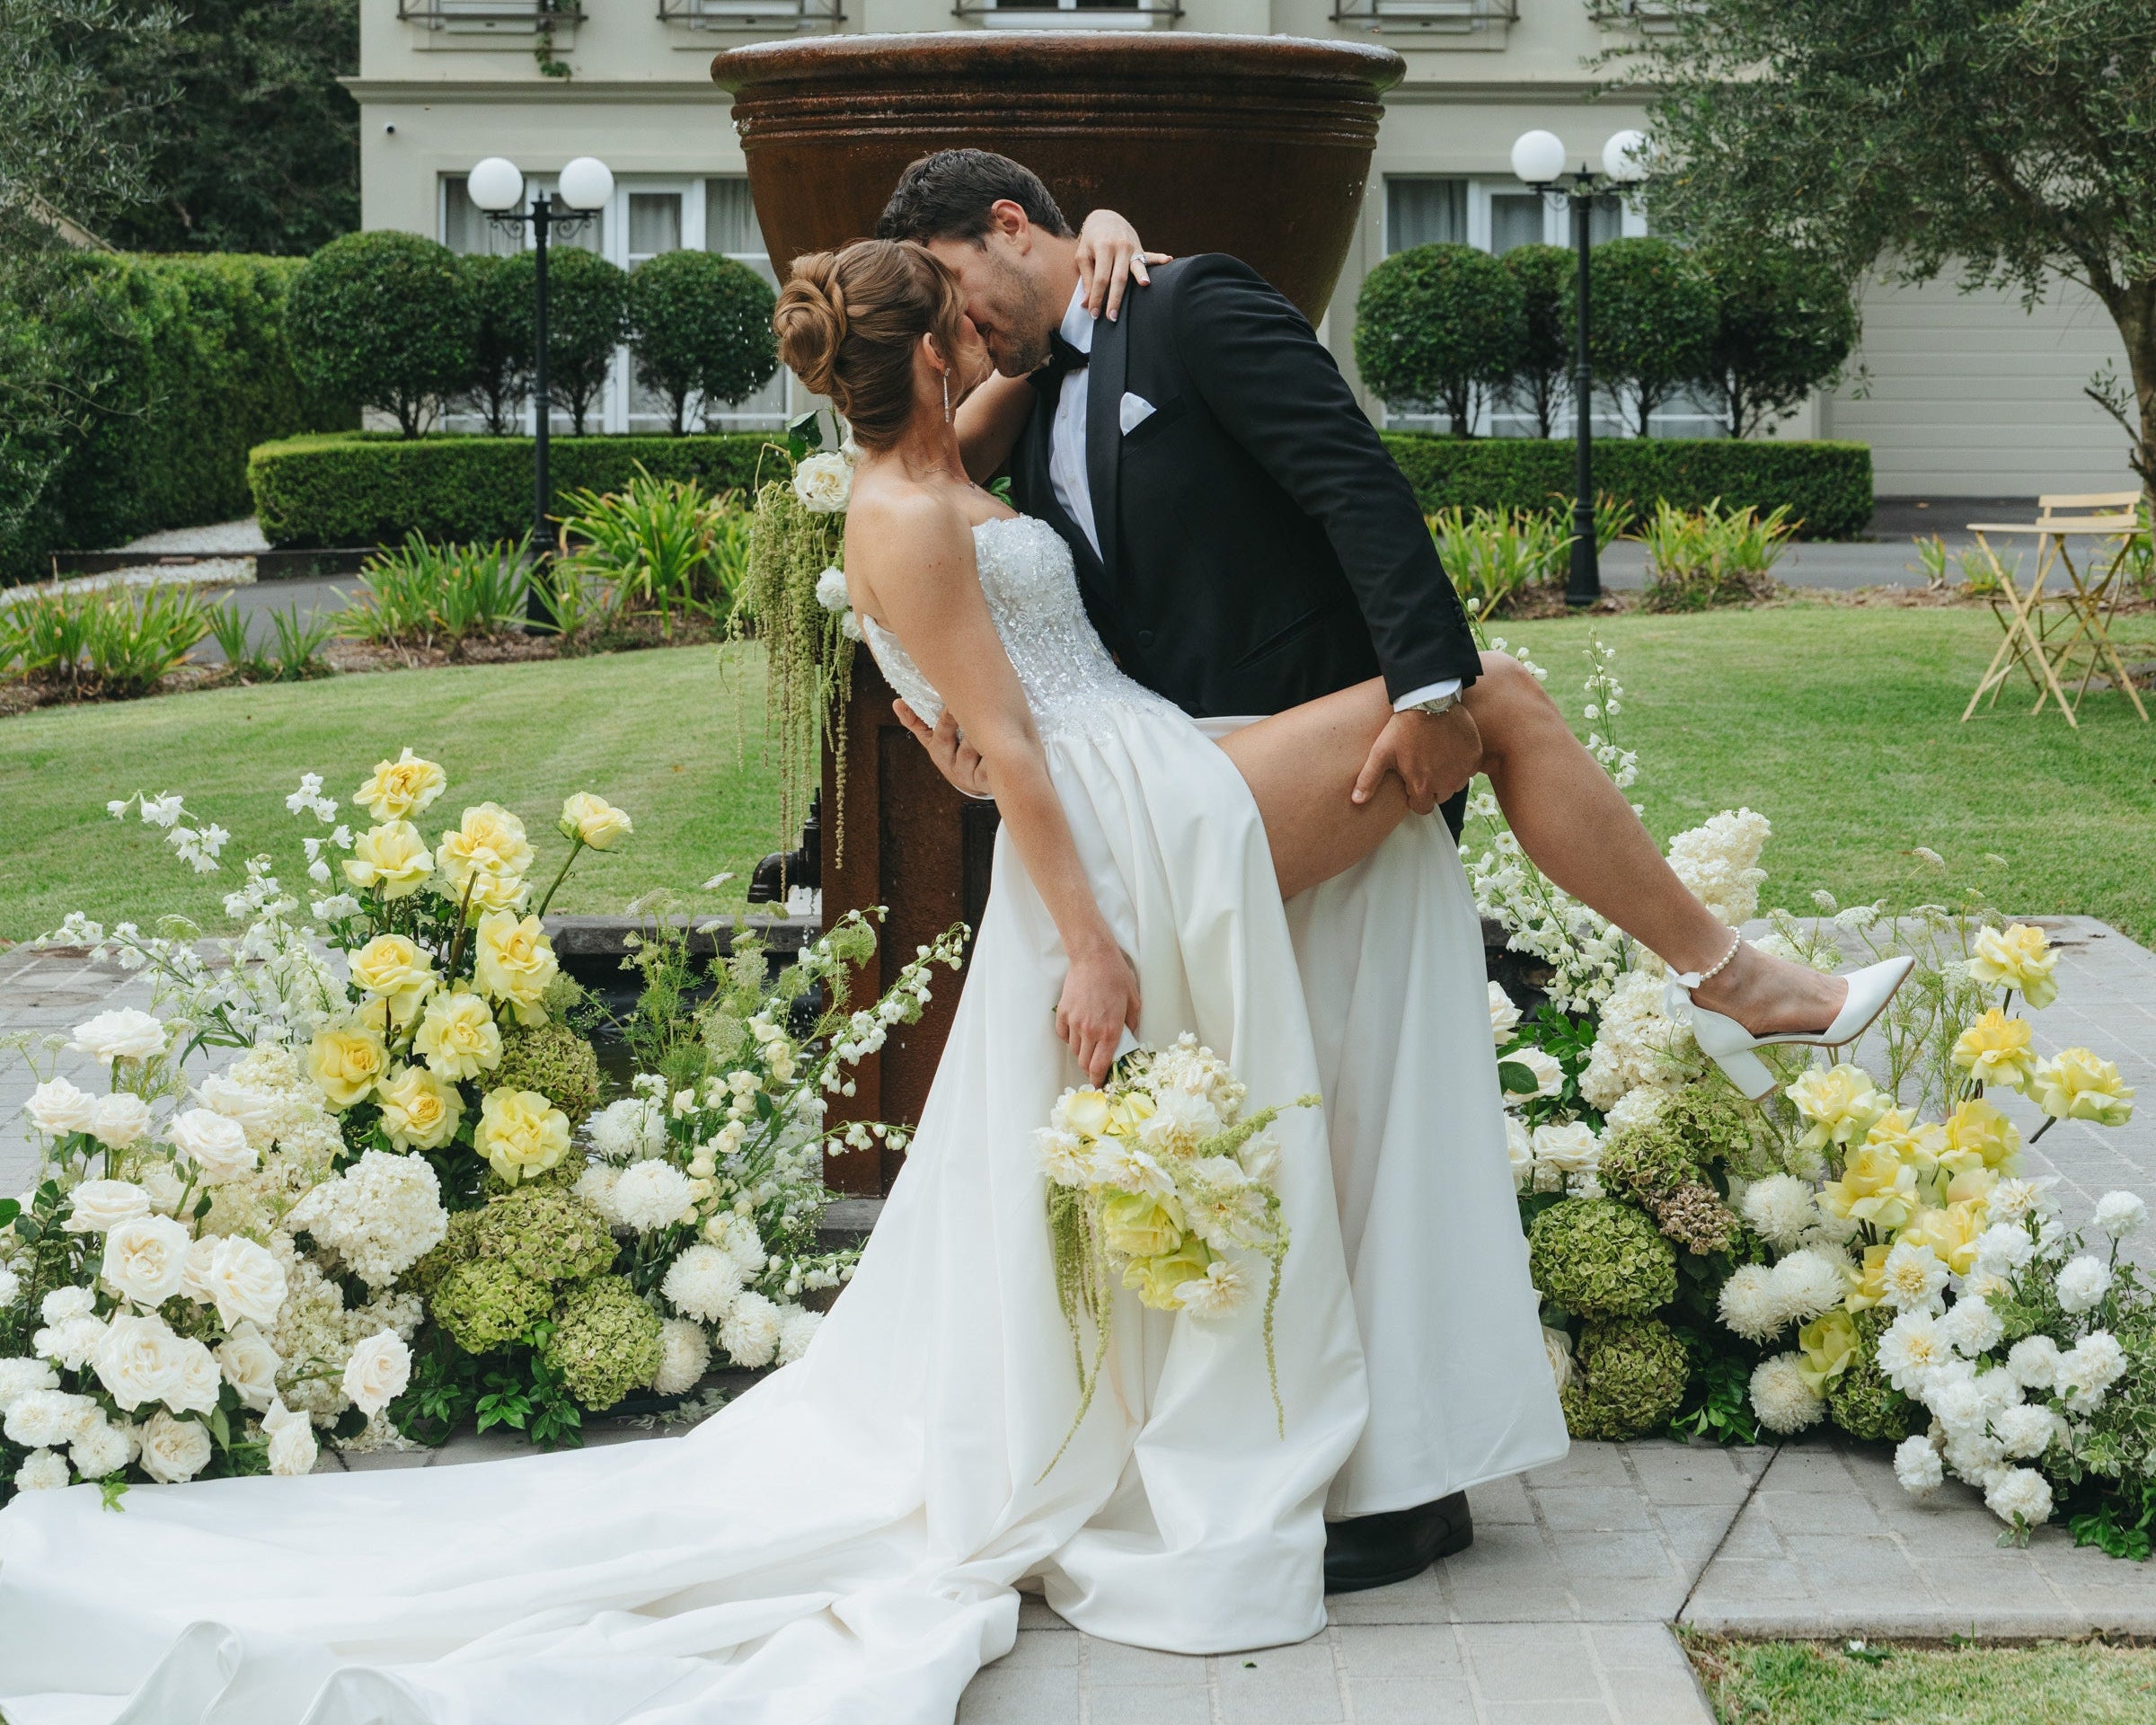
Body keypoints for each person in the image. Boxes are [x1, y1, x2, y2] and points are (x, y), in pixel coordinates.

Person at [0, 238, 1537, 1725]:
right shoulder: (905, 517)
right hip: (1103, 849)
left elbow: (1048, 372)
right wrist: (1088, 943)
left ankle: (1239, 1434)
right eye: (960, 326)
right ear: (929, 351)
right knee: (1171, 1118)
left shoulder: (944, 455)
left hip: (1139, 788)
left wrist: (1110, 237)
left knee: (1171, 1138)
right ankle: (1187, 1442)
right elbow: (997, 750)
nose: (988, 343)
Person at [875, 150, 1913, 1587]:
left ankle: (1388, 1466)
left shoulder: (1188, 314)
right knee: (1505, 700)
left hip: (1271, 768)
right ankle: (1728, 976)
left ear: (1007, 224)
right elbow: (927, 497)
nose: (958, 327)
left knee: (1363, 1078)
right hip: (1169, 795)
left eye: (960, 287)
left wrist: (1413, 689)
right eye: (925, 315)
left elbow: (1352, 481)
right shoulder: (990, 413)